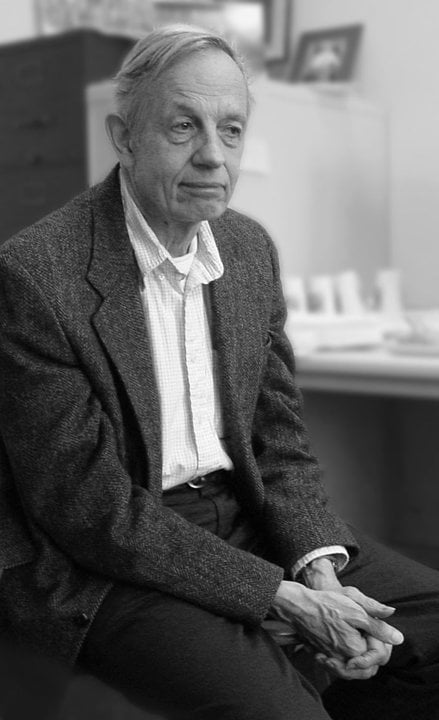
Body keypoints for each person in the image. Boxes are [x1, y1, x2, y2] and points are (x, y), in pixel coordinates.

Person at [0, 24, 439, 720]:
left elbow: (279, 444)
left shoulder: (247, 249)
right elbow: (91, 512)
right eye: (183, 127)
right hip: (109, 556)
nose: (213, 155)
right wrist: (281, 596)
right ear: (123, 138)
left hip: (242, 511)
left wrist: (318, 569)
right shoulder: (36, 273)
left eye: (230, 130)